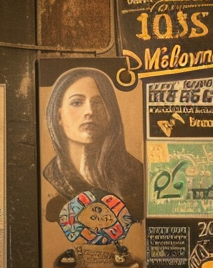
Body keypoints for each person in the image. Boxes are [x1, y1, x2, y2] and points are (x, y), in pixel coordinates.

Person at [42, 66, 145, 224]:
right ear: (58, 116)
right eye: (77, 102)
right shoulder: (52, 177)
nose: (89, 111)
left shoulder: (136, 175)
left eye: (98, 103)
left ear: (110, 111)